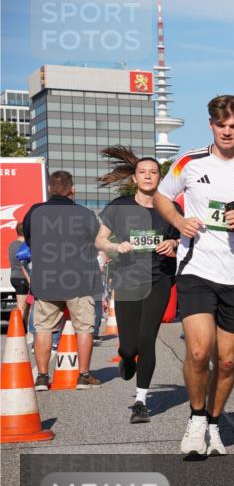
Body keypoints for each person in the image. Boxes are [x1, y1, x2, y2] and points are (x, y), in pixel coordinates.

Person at [153, 95, 234, 456]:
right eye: (221, 125)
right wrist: (179, 221)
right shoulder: (190, 162)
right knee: (198, 351)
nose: (227, 131)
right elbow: (162, 197)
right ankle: (195, 420)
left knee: (226, 362)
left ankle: (213, 422)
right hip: (196, 269)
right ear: (211, 124)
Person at [95, 147, 181, 424]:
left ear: (160, 178)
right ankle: (126, 357)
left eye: (153, 172)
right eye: (142, 172)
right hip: (128, 279)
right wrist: (115, 246)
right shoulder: (120, 206)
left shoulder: (170, 207)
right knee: (130, 345)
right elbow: (99, 240)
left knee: (147, 339)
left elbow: (187, 238)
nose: (148, 176)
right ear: (134, 178)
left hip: (160, 279)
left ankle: (141, 402)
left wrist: (175, 243)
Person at [23, 170, 103, 390]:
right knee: (84, 328)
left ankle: (41, 377)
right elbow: (96, 242)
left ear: (50, 189)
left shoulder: (35, 212)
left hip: (45, 280)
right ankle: (83, 376)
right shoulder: (85, 214)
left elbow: (29, 240)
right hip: (79, 280)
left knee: (43, 328)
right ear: (72, 189)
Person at [8, 223, 31, 321]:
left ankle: (26, 331)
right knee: (22, 306)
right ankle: (18, 330)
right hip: (23, 278)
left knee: (28, 305)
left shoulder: (12, 244)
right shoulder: (25, 246)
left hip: (14, 277)